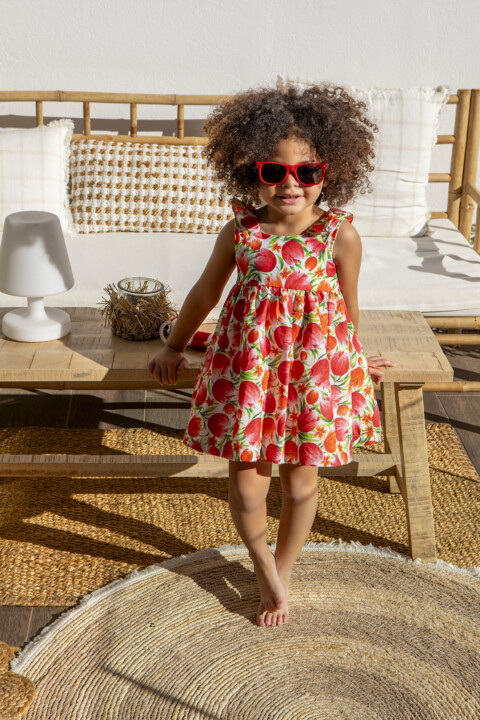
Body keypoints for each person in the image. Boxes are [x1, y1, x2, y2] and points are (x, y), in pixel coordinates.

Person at [148, 83, 394, 628]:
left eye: (306, 172)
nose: (290, 183)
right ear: (250, 171)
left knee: (301, 483)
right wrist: (173, 344)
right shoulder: (241, 232)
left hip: (312, 375)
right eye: (274, 170)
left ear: (328, 173)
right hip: (251, 375)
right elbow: (204, 295)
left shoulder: (339, 235)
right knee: (245, 485)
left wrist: (355, 362)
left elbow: (348, 307)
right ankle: (261, 564)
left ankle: (282, 572)